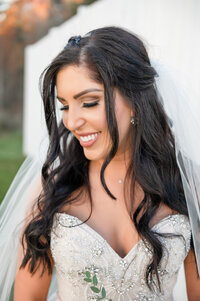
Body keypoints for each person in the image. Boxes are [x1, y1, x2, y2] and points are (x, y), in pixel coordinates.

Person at [0, 26, 200, 301]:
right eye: (65, 106)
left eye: (89, 102)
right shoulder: (53, 191)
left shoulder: (187, 187)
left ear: (135, 100)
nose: (71, 122)